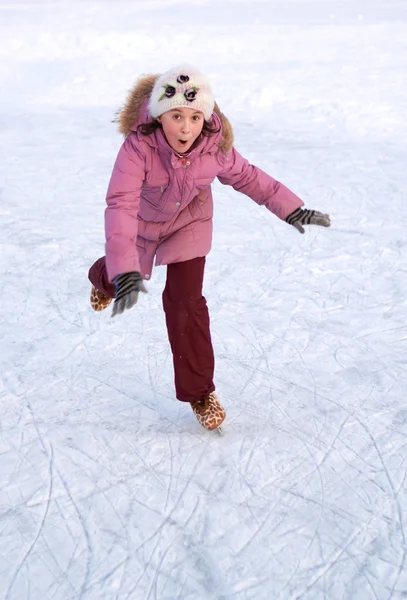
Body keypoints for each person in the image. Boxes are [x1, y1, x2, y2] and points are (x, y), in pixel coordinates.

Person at [88, 64, 330, 432]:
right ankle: (102, 276)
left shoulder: (214, 147)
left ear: (207, 115)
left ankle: (200, 392)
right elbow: (120, 205)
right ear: (159, 115)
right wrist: (122, 270)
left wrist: (291, 208)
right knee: (122, 273)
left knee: (186, 303)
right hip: (139, 225)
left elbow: (250, 178)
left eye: (195, 116)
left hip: (189, 223)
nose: (186, 127)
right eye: (176, 116)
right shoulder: (138, 148)